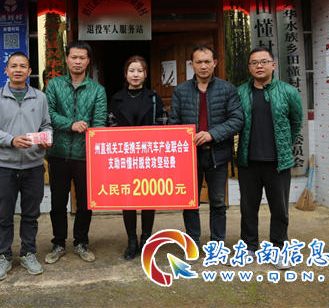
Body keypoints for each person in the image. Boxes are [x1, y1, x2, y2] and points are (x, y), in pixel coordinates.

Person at [0, 52, 52, 280]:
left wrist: (46, 139)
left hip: (34, 165)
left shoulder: (39, 97)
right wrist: (11, 140)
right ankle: (3, 255)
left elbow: (46, 125)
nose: (18, 70)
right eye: (13, 66)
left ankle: (28, 253)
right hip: (6, 166)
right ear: (7, 70)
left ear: (30, 71)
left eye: (23, 66)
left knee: (31, 214)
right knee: (4, 215)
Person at [169, 45, 243, 247]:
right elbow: (174, 123)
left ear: (215, 63)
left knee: (218, 202)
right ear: (191, 65)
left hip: (217, 154)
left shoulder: (227, 89)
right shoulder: (181, 90)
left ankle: (216, 245)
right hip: (189, 157)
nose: (203, 66)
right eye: (199, 62)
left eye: (207, 61)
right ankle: (192, 242)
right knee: (190, 202)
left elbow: (237, 120)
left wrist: (212, 134)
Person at [236, 46, 303, 270]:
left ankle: (279, 249)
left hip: (277, 163)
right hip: (248, 161)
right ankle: (248, 247)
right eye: (254, 62)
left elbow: (296, 122)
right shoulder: (240, 92)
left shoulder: (288, 91)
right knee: (248, 209)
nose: (259, 66)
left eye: (264, 61)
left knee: (280, 210)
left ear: (273, 65)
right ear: (249, 67)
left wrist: (284, 145)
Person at [44, 40, 107, 264]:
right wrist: (71, 124)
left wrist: (95, 149)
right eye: (74, 57)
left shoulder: (98, 90)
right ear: (66, 59)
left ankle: (81, 242)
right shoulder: (54, 85)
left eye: (82, 58)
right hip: (58, 154)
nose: (77, 61)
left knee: (85, 203)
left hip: (85, 157)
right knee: (57, 203)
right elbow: (48, 114)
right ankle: (58, 243)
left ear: (88, 60)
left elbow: (99, 122)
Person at [107, 55, 168, 260]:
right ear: (125, 74)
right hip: (125, 157)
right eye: (132, 71)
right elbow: (110, 125)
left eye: (140, 71)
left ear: (145, 74)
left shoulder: (154, 97)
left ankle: (146, 239)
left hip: (148, 156)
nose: (136, 74)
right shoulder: (116, 98)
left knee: (148, 198)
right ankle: (131, 240)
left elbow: (163, 122)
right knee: (128, 198)